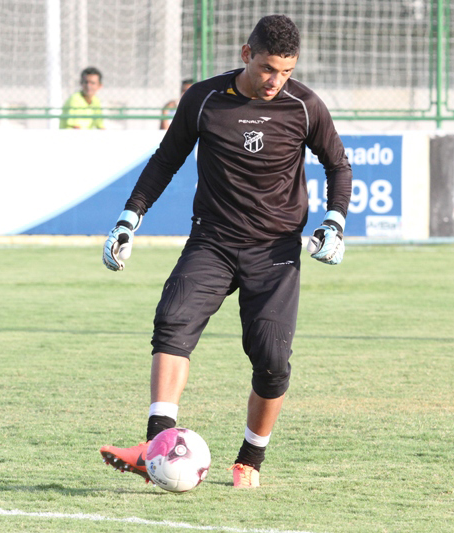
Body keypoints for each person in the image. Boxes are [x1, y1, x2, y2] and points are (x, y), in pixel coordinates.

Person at [99, 14, 351, 489]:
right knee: (172, 320)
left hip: (274, 251)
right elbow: (165, 161)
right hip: (212, 240)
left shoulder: (305, 106)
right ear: (245, 54)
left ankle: (249, 460)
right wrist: (129, 219)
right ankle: (156, 446)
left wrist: (334, 221)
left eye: (287, 72)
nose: (276, 81)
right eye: (268, 68)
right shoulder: (204, 99)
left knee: (272, 361)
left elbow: (338, 165)